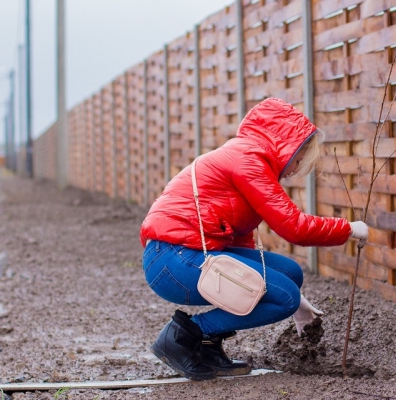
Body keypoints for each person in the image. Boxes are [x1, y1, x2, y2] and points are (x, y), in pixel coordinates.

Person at [140, 97, 369, 380]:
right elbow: (294, 227)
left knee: (289, 273)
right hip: (172, 259)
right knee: (284, 297)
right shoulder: (248, 160)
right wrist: (349, 229)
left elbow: (239, 245)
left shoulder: (246, 157)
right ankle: (184, 337)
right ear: (286, 146)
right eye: (299, 158)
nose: (296, 168)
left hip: (182, 254)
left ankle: (210, 346)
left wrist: (298, 302)